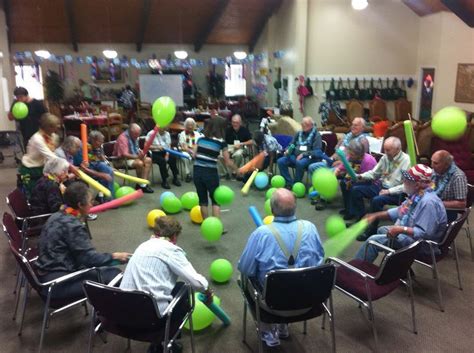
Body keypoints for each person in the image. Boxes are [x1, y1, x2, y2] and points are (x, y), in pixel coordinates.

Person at [238, 188, 324, 347]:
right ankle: (284, 326)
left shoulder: (261, 233)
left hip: (272, 306)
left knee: (244, 278)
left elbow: (245, 268)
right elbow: (319, 259)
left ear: (271, 210)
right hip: (308, 301)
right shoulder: (310, 228)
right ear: (295, 207)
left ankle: (268, 332)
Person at [120, 216, 211, 353]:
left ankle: (156, 343)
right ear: (174, 236)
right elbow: (197, 283)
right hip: (151, 319)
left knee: (159, 291)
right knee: (183, 289)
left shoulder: (143, 245)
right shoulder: (171, 250)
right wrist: (208, 292)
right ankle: (168, 338)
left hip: (122, 313)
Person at [35, 182, 131, 299]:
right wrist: (115, 257)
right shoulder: (73, 225)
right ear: (80, 204)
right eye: (90, 201)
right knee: (115, 275)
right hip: (57, 284)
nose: (92, 204)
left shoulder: (56, 215)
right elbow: (89, 259)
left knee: (103, 270)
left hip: (44, 275)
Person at [355, 164, 447, 263]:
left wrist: (400, 229)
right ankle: (395, 264)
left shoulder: (428, 203)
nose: (404, 182)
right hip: (413, 237)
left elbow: (423, 233)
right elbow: (400, 211)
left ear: (417, 184)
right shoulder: (417, 194)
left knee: (372, 241)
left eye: (407, 180)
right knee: (382, 230)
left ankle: (355, 270)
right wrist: (375, 215)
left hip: (421, 246)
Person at [356, 137, 411, 240]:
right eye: (385, 149)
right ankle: (361, 221)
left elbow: (406, 185)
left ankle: (371, 230)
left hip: (397, 193)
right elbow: (374, 173)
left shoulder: (406, 161)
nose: (385, 152)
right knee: (357, 190)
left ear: (398, 149)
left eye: (388, 150)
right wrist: (360, 176)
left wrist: (389, 191)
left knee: (376, 200)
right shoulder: (385, 157)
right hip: (382, 187)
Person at [193, 117, 237, 219]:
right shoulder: (221, 142)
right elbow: (227, 161)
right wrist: (237, 169)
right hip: (210, 173)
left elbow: (194, 155)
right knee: (215, 200)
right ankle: (216, 227)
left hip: (197, 172)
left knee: (203, 201)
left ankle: (206, 226)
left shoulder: (200, 139)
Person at [320, 140, 377, 212]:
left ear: (359, 154)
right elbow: (342, 167)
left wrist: (352, 180)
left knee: (351, 186)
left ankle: (355, 211)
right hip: (355, 177)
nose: (350, 156)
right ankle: (348, 208)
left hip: (369, 182)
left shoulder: (368, 161)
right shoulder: (351, 157)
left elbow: (368, 178)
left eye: (352, 154)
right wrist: (334, 174)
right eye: (350, 153)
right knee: (343, 182)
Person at [278, 116, 330, 187]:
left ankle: (296, 184)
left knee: (300, 163)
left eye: (306, 124)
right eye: (303, 124)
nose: (303, 125)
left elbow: (317, 151)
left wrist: (304, 155)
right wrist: (287, 150)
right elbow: (291, 144)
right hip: (295, 156)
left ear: (311, 125)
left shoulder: (316, 135)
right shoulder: (298, 133)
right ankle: (289, 182)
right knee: (281, 161)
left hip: (309, 157)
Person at [19, 113, 61, 196]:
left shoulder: (53, 136)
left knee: (46, 192)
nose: (58, 128)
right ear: (48, 127)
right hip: (29, 169)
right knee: (34, 194)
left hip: (41, 168)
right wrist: (69, 166)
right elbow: (51, 156)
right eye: (56, 126)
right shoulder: (37, 139)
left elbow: (54, 154)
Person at [113, 123, 154, 193]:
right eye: (136, 134)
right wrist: (138, 157)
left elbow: (136, 148)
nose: (137, 136)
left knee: (148, 160)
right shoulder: (123, 138)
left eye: (138, 134)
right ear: (130, 132)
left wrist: (140, 153)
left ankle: (143, 185)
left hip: (133, 157)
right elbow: (124, 154)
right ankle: (139, 183)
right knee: (139, 163)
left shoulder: (134, 136)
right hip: (121, 160)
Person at [431, 150, 468, 222]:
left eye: (435, 163)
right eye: (431, 161)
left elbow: (462, 204)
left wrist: (436, 203)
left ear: (446, 165)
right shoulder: (435, 171)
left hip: (447, 212)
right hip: (433, 207)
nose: (432, 165)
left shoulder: (458, 176)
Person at [84, 130, 115, 200]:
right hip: (89, 167)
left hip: (97, 165)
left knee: (109, 170)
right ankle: (108, 197)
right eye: (100, 141)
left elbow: (102, 156)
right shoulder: (85, 147)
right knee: (106, 171)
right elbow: (86, 165)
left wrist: (109, 165)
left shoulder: (99, 146)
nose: (101, 143)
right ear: (93, 140)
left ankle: (103, 195)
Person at [178, 118, 202, 182]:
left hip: (195, 150)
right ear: (185, 126)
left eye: (192, 125)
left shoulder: (197, 134)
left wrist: (194, 152)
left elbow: (199, 144)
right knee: (185, 156)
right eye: (188, 125)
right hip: (185, 151)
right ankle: (188, 174)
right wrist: (190, 151)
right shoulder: (182, 134)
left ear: (194, 126)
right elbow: (183, 146)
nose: (190, 127)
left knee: (201, 156)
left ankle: (198, 175)